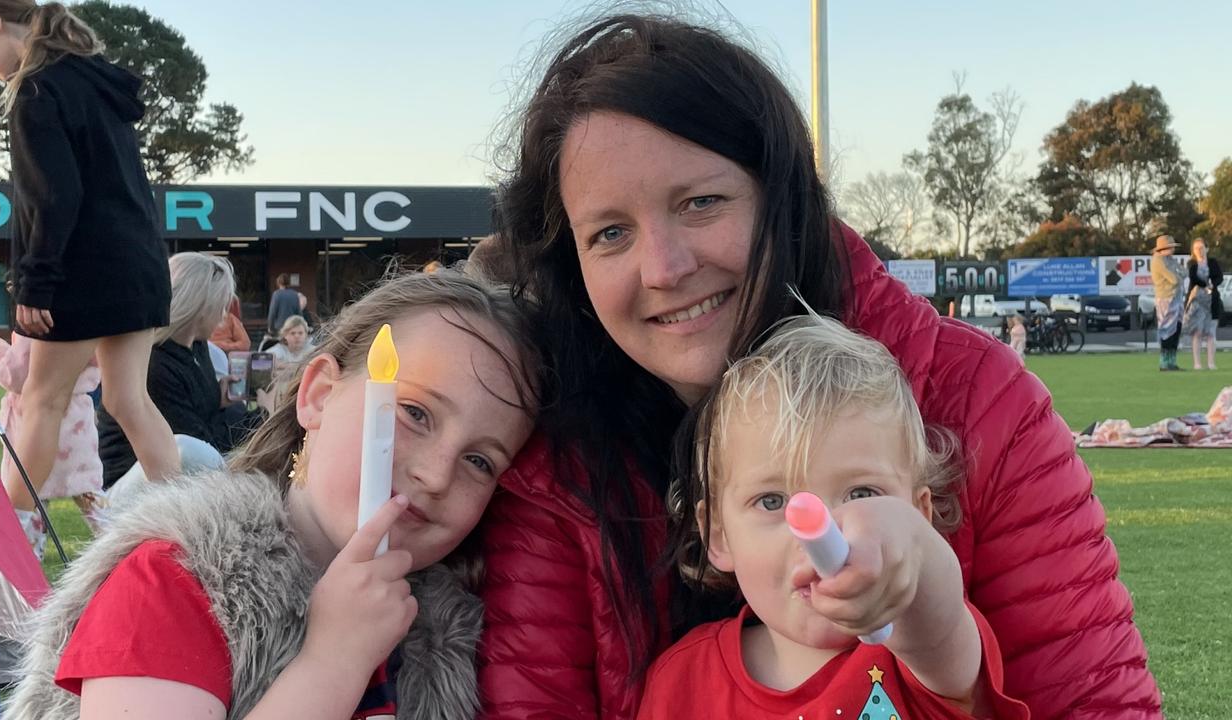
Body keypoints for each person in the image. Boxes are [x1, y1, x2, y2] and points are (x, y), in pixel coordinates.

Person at [478, 13, 1160, 720]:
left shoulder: (979, 399)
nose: (665, 268)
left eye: (702, 202)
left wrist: (920, 580)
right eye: (611, 232)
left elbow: (1091, 699)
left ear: (783, 201)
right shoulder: (549, 456)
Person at [1, 271, 539, 720]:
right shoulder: (174, 583)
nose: (437, 474)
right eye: (414, 413)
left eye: (479, 460)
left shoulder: (455, 639)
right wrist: (333, 663)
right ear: (319, 397)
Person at [638, 315, 1028, 718]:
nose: (820, 532)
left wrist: (909, 549)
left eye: (862, 495)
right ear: (717, 535)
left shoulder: (920, 650)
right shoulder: (681, 681)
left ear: (919, 516)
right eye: (772, 501)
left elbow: (938, 611)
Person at [0, 1, 179, 520]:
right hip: (137, 266)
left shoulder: (37, 90)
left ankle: (6, 546)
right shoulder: (96, 85)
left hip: (86, 271)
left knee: (42, 400)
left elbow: (54, 197)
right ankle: (190, 527)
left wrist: (35, 282)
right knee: (128, 401)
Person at [97, 253, 262, 492]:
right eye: (221, 307)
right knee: (194, 449)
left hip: (174, 479)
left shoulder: (197, 348)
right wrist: (260, 413)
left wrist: (220, 399)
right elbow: (200, 447)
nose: (224, 316)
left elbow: (201, 423)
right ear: (202, 308)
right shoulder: (154, 365)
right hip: (133, 486)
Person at [0, 333, 108, 557]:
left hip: (38, 426)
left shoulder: (36, 330)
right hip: (78, 423)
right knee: (89, 490)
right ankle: (116, 540)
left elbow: (16, 374)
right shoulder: (89, 327)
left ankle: (27, 555)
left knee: (30, 490)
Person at [1185, 237, 1222, 371]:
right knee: (1197, 333)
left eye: (1202, 248)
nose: (1200, 251)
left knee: (1211, 333)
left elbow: (1219, 277)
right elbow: (1194, 278)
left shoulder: (1213, 263)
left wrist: (1213, 284)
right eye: (1196, 249)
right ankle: (1197, 363)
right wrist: (1206, 285)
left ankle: (1211, 363)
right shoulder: (1192, 264)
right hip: (1197, 302)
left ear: (1207, 248)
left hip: (1212, 302)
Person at [1152, 235, 1185, 371]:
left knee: (1176, 329)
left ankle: (1172, 360)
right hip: (1166, 298)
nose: (1172, 250)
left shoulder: (1170, 260)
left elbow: (1184, 271)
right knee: (1167, 330)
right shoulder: (1158, 261)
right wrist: (1178, 276)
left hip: (1177, 297)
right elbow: (1174, 279)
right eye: (1170, 247)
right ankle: (1164, 362)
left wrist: (1179, 275)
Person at [266, 272, 301, 345]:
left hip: (280, 328)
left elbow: (272, 313)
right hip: (293, 327)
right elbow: (299, 313)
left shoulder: (277, 294)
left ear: (278, 283)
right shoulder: (294, 294)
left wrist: (270, 328)